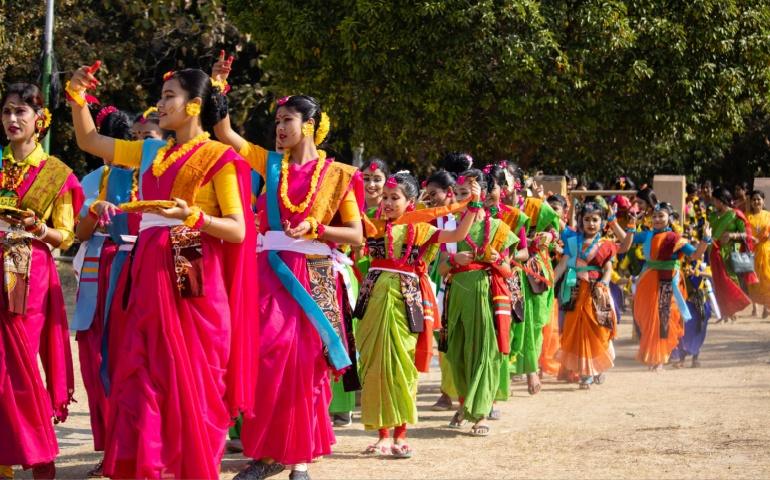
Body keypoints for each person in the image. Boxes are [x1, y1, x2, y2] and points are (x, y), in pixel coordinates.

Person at [67, 64, 257, 479]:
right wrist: (77, 98)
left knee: (190, 371)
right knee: (143, 370)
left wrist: (193, 217)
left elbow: (239, 230)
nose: (160, 103)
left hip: (189, 256)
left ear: (194, 104)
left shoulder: (219, 157)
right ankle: (150, 467)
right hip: (147, 266)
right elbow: (89, 140)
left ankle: (190, 465)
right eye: (162, 95)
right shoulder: (152, 151)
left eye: (170, 96)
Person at [215, 92, 364, 480]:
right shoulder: (268, 163)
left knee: (305, 366)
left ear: (309, 125)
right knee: (264, 359)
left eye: (287, 120)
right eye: (277, 121)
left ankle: (299, 460)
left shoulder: (338, 175)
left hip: (312, 275)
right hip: (268, 273)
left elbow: (356, 235)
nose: (279, 128)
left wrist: (318, 228)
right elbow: (225, 134)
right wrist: (218, 92)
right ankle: (266, 454)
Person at [355, 171, 479, 457]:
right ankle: (382, 435)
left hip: (405, 300)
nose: (387, 202)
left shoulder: (420, 228)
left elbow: (458, 235)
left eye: (394, 198)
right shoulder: (372, 223)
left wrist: (473, 205)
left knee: (403, 367)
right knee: (374, 367)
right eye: (385, 197)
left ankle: (400, 435)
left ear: (410, 202)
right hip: (373, 299)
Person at [0, 82, 83, 480]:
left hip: (28, 272)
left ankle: (40, 456)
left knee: (17, 367)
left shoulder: (56, 173)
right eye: (7, 111)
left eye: (21, 111)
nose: (12, 119)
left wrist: (36, 227)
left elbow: (65, 235)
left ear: (40, 120)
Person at [70, 105, 134, 477]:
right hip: (97, 271)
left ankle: (133, 448)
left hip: (133, 269)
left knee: (130, 358)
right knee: (96, 361)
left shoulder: (148, 176)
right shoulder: (92, 180)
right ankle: (112, 449)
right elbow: (78, 233)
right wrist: (94, 211)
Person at [442, 169, 521, 436]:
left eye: (468, 192)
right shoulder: (450, 228)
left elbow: (508, 271)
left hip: (485, 295)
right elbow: (439, 268)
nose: (463, 198)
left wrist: (496, 259)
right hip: (457, 294)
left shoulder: (498, 228)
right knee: (457, 353)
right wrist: (454, 260)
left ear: (483, 194)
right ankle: (464, 405)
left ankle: (481, 413)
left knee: (484, 352)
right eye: (459, 193)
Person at [617, 203, 711, 371]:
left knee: (664, 318)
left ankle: (660, 358)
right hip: (648, 282)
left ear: (669, 218)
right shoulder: (647, 235)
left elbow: (695, 255)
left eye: (661, 215)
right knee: (649, 318)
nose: (657, 219)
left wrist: (705, 240)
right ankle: (653, 356)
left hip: (668, 281)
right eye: (654, 216)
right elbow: (626, 240)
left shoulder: (675, 239)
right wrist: (616, 222)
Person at [554, 202, 618, 388]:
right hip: (574, 291)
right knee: (575, 331)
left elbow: (608, 269)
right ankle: (586, 373)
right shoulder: (574, 242)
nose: (591, 223)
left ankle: (596, 366)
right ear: (581, 221)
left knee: (597, 330)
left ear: (602, 222)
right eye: (587, 219)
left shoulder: (605, 245)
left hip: (596, 292)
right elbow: (563, 265)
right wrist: (550, 282)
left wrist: (603, 284)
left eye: (595, 219)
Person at [423, 168, 460, 411]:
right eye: (427, 193)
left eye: (433, 193)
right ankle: (447, 392)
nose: (430, 198)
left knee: (457, 335)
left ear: (449, 192)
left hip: (457, 277)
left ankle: (462, 392)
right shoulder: (428, 218)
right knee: (441, 336)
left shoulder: (463, 218)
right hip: (433, 277)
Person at [708, 187, 757, 323]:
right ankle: (725, 312)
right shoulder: (713, 216)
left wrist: (732, 235)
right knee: (718, 282)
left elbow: (747, 235)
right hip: (714, 252)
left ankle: (732, 310)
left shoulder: (735, 215)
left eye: (715, 200)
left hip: (729, 253)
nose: (713, 203)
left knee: (730, 280)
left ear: (722, 201)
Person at [747, 191, 770, 317]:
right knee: (754, 281)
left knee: (767, 278)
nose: (756, 202)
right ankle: (755, 306)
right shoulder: (747, 217)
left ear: (763, 201)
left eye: (758, 199)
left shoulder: (768, 215)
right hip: (752, 252)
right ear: (751, 202)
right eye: (754, 199)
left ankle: (767, 306)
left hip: (767, 251)